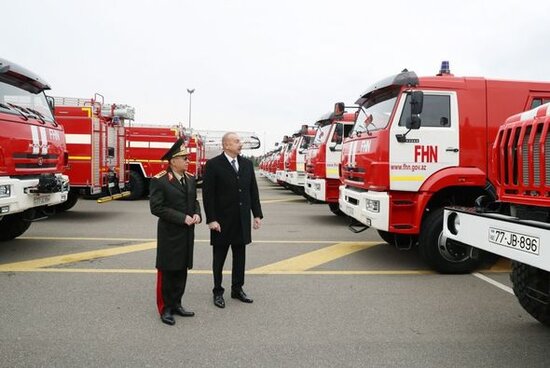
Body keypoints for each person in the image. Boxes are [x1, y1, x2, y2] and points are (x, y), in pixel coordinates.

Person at [202, 132, 263, 308]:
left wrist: (256, 214)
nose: (240, 144)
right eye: (236, 141)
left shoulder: (246, 164)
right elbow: (208, 195)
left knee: (240, 257)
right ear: (226, 145)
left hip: (241, 221)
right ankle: (217, 291)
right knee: (219, 258)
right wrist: (211, 219)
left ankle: (237, 289)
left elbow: (253, 191)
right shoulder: (213, 165)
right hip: (221, 222)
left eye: (240, 141)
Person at [149, 138, 201, 326]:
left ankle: (177, 303)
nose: (188, 161)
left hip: (187, 233)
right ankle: (165, 309)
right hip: (170, 234)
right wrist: (181, 218)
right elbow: (156, 208)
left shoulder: (190, 179)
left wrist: (197, 213)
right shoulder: (160, 180)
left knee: (181, 269)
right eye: (184, 158)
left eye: (188, 158)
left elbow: (194, 201)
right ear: (172, 161)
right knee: (168, 271)